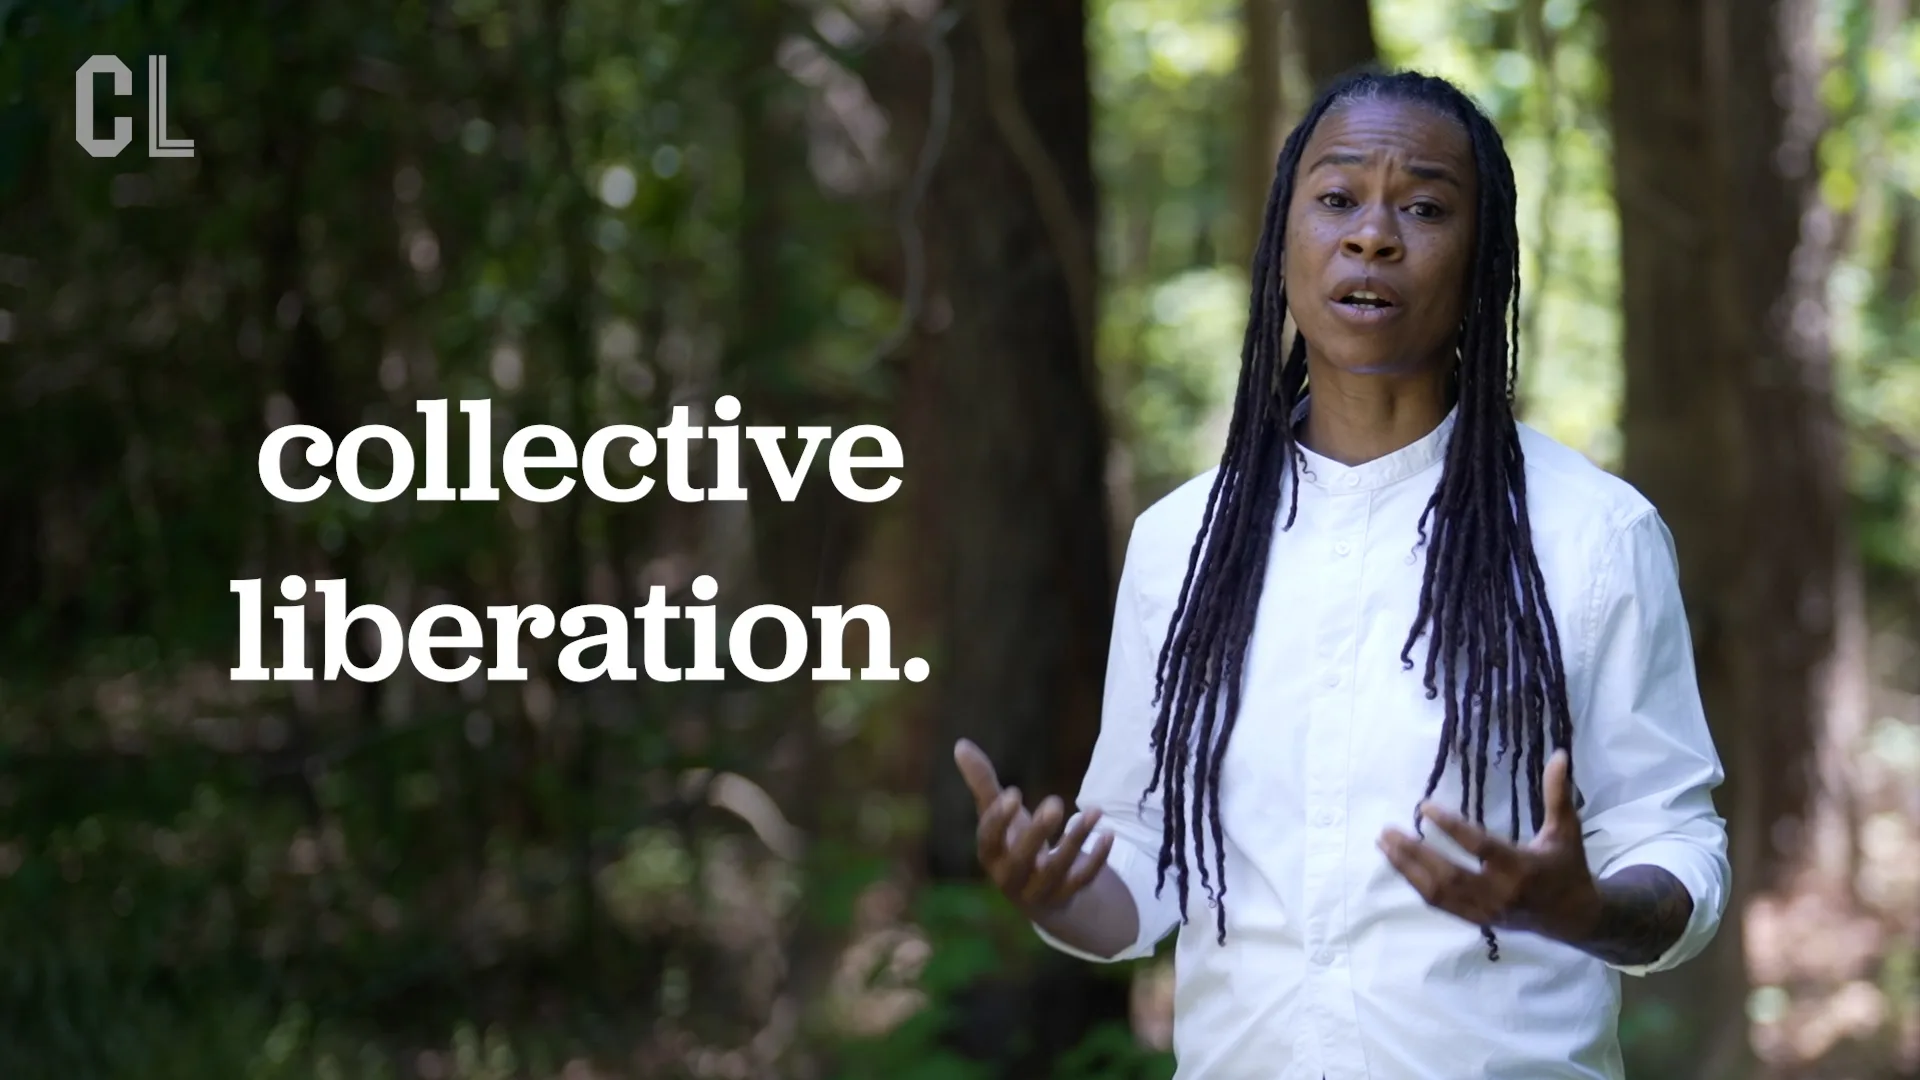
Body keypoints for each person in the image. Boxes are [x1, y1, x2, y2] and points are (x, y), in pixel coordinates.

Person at [951, 68, 1729, 1079]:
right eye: (1336, 198)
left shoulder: (1592, 535)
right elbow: (1141, 858)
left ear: (1483, 258)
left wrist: (1587, 909)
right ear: (1284, 241)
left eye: (1425, 208)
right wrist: (1057, 894)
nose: (1373, 236)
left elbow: (1672, 838)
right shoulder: (1182, 544)